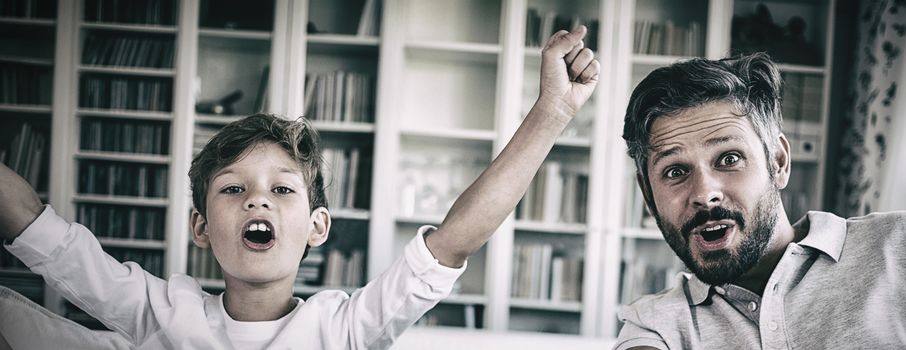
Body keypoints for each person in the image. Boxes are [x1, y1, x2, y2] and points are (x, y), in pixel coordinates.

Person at [0, 25, 599, 349]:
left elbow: (452, 242)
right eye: (232, 189)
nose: (257, 199)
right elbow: (40, 231)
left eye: (283, 190)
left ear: (318, 226)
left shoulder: (344, 327)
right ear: (201, 227)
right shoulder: (161, 311)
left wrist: (551, 111)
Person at [614, 53, 906, 349]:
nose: (704, 192)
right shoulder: (656, 323)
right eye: (675, 171)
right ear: (649, 196)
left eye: (729, 158)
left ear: (778, 162)